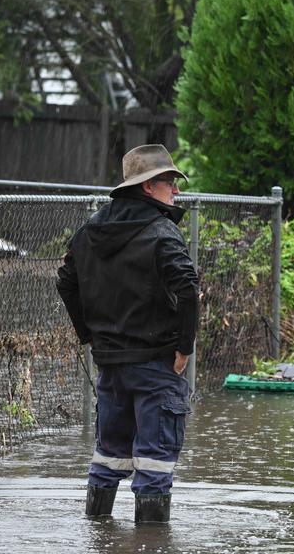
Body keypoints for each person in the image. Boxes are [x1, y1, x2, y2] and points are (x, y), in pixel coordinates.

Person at [56, 144, 199, 524]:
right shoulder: (162, 231)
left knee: (107, 458)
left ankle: (100, 547)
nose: (177, 191)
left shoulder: (90, 230)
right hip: (156, 364)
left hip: (110, 366)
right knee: (154, 466)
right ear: (149, 187)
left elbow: (65, 282)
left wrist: (88, 336)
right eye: (170, 182)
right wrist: (184, 346)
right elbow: (188, 289)